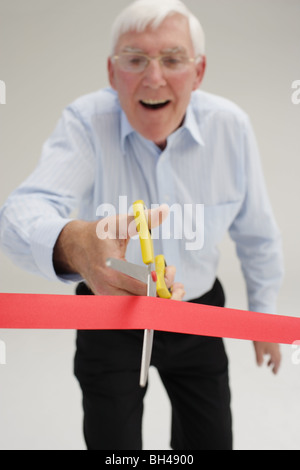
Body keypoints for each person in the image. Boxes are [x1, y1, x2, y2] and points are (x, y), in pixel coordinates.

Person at [0, 0, 284, 450]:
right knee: (114, 450)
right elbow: (20, 213)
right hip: (108, 314)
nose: (154, 78)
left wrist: (264, 317)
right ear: (112, 74)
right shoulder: (86, 121)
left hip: (198, 314)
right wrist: (75, 244)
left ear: (199, 71)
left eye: (173, 59)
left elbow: (258, 234)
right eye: (134, 60)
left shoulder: (232, 127)